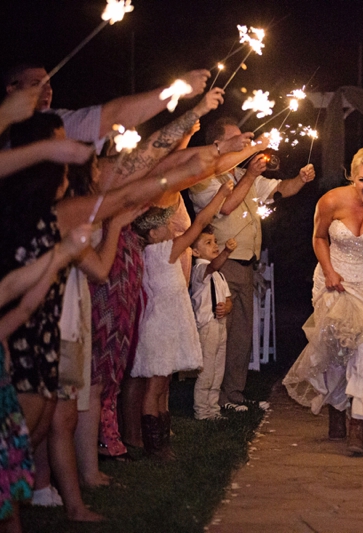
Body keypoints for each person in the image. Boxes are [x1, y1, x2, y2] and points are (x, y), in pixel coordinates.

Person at [189, 117, 315, 411]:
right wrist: (249, 174)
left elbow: (283, 188)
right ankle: (212, 397)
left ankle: (233, 394)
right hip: (220, 263)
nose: (245, 145)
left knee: (242, 334)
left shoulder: (241, 173)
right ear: (217, 144)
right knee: (220, 333)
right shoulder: (204, 177)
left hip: (246, 263)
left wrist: (302, 178)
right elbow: (228, 206)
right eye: (238, 140)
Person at [0, 226, 91, 533]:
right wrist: (59, 255)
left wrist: (52, 270)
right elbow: (9, 290)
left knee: (4, 511)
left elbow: (23, 306)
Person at [283, 146, 363, 455]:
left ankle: (358, 423)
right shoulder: (331, 199)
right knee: (334, 348)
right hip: (334, 281)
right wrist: (330, 272)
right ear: (352, 176)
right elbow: (319, 237)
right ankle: (335, 406)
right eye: (362, 179)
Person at [130, 180, 233, 459]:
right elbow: (199, 223)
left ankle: (162, 440)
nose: (170, 226)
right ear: (152, 233)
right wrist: (222, 194)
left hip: (165, 322)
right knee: (156, 386)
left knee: (162, 384)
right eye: (164, 225)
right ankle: (155, 445)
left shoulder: (154, 251)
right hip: (162, 325)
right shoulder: (164, 250)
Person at [3, 63, 210, 150]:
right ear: (12, 89)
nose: (46, 90)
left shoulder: (53, 120)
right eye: (35, 85)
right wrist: (177, 89)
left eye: (48, 83)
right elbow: (112, 116)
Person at [190, 227, 235, 421]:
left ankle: (213, 409)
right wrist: (226, 252)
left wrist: (227, 307)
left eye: (215, 241)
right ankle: (202, 410)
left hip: (220, 324)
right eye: (208, 243)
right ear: (195, 251)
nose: (215, 245)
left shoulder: (220, 275)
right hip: (207, 326)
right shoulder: (200, 269)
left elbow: (228, 298)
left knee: (218, 369)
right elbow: (211, 267)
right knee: (207, 370)